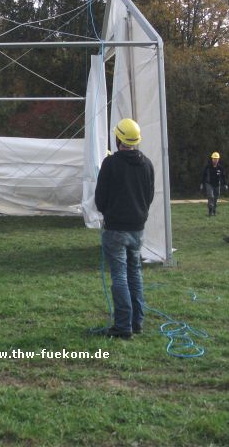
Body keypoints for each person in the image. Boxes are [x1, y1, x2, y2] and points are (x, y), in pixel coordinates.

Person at [94, 118, 155, 340]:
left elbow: (100, 198)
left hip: (116, 229)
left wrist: (108, 212)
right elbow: (149, 196)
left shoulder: (110, 164)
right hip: (138, 228)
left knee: (119, 275)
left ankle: (122, 326)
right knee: (134, 274)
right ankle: (136, 322)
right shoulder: (147, 164)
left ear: (118, 138)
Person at [200, 152, 227, 216]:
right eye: (214, 159)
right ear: (212, 159)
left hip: (217, 185)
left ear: (218, 159)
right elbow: (203, 175)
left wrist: (225, 184)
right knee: (211, 197)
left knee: (216, 198)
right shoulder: (208, 167)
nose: (215, 160)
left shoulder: (220, 168)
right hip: (209, 184)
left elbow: (223, 176)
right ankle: (210, 211)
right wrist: (202, 183)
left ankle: (214, 211)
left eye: (217, 159)